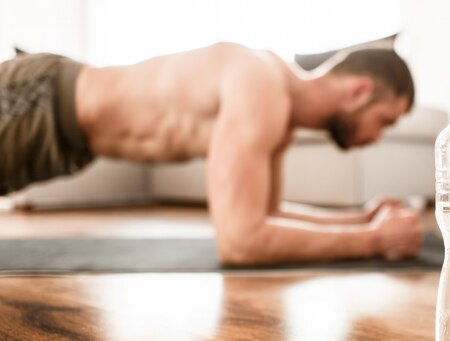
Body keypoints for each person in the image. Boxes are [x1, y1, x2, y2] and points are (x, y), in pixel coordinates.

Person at [0, 43, 422, 265]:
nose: (378, 138)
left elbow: (263, 217)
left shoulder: (279, 115)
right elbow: (241, 241)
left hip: (62, 140)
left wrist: (361, 218)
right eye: (384, 121)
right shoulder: (262, 85)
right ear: (359, 91)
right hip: (42, 100)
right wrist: (373, 240)